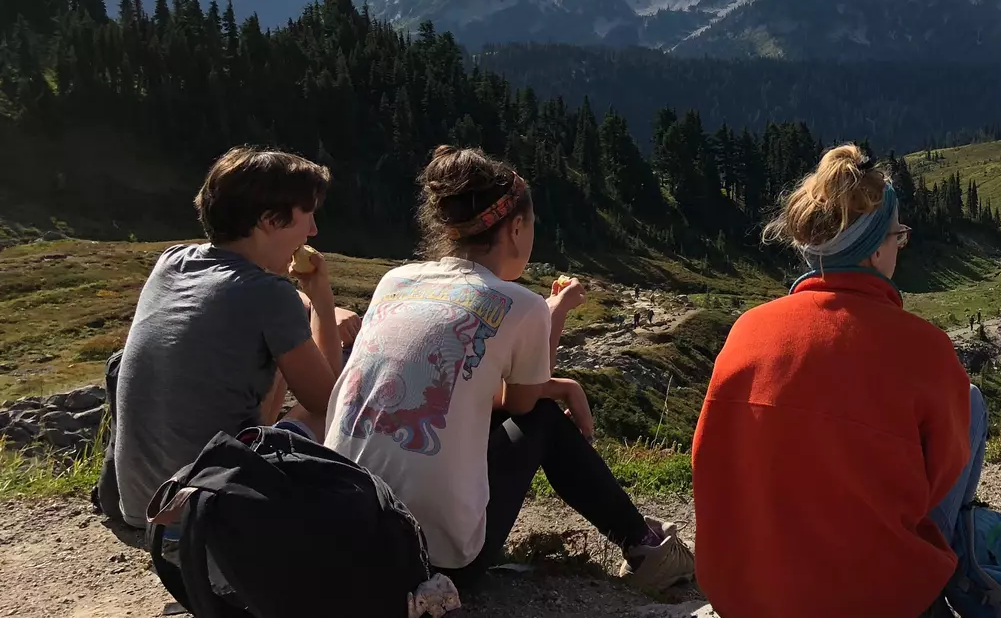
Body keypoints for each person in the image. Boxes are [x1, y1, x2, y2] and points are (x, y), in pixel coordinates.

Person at [324, 145, 693, 592]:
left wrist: (558, 374)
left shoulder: (396, 280)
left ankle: (642, 543)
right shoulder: (521, 304)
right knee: (541, 419)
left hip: (339, 537)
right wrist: (555, 336)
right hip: (432, 565)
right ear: (516, 227)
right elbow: (524, 401)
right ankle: (645, 548)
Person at [692, 144, 987, 618]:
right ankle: (940, 577)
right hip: (875, 602)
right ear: (873, 250)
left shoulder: (748, 329)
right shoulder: (924, 347)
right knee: (970, 404)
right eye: (897, 236)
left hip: (742, 596)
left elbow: (710, 459)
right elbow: (940, 477)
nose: (899, 246)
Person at [112, 146, 350, 530]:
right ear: (271, 220)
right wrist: (322, 303)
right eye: (307, 216)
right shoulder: (270, 294)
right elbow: (326, 400)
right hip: (207, 513)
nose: (313, 231)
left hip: (142, 502)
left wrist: (300, 303)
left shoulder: (173, 261)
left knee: (276, 351)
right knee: (336, 401)